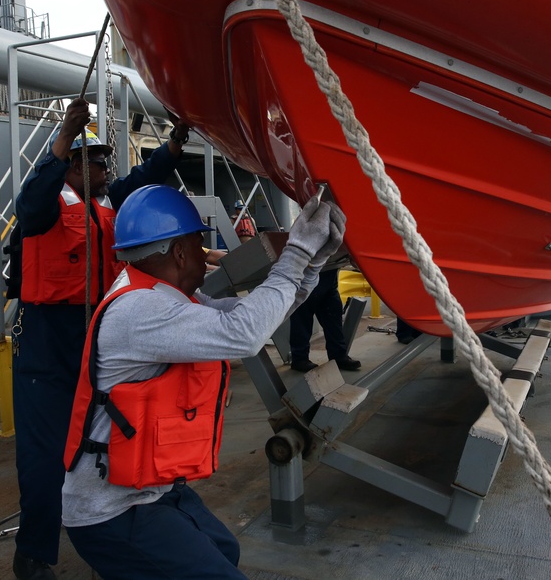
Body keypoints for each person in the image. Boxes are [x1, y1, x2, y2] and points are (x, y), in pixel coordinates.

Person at [61, 184, 344, 579]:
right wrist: (295, 253)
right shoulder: (141, 311)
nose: (204, 255)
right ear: (179, 252)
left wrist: (312, 264)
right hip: (112, 510)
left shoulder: (166, 296)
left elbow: (254, 314)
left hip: (150, 489)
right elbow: (244, 333)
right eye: (199, 244)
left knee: (224, 549)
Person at [10, 98, 192, 580]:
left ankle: (111, 521)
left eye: (103, 160)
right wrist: (65, 135)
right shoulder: (45, 208)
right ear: (71, 166)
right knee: (44, 450)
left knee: (101, 434)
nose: (104, 167)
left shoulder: (102, 205)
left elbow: (143, 180)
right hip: (49, 339)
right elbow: (29, 203)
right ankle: (32, 553)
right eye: (93, 160)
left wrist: (175, 142)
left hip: (93, 330)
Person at [288, 268, 361, 372]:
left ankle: (339, 356)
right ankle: (299, 359)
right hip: (305, 281)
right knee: (302, 323)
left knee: (334, 321)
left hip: (328, 279)